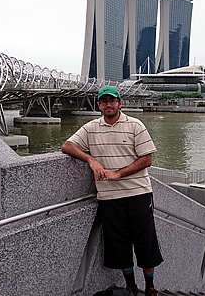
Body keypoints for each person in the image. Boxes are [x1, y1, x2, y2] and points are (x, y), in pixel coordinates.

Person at [62, 86, 163, 296]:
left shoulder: (135, 125)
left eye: (112, 100)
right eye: (104, 101)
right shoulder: (91, 128)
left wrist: (118, 174)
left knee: (145, 241)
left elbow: (146, 159)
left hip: (138, 193)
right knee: (119, 243)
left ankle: (150, 287)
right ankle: (131, 286)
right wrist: (91, 160)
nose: (109, 104)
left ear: (120, 103)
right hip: (109, 197)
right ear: (98, 105)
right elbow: (67, 146)